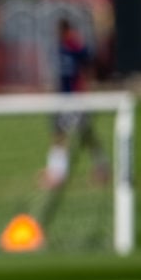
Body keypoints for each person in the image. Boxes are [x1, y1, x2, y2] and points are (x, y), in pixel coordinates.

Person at [42, 17, 109, 191]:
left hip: (77, 99)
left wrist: (87, 91)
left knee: (86, 136)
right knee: (59, 134)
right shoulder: (58, 49)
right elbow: (58, 76)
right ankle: (56, 173)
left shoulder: (76, 47)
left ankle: (101, 167)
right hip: (62, 99)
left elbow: (90, 68)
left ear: (65, 31)